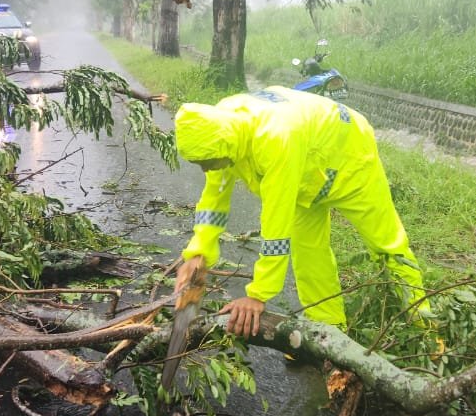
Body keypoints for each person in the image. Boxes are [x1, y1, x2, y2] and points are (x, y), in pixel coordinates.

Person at [173, 86, 425, 337]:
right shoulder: (219, 128)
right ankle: (327, 332)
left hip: (349, 153)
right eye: (200, 164)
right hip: (308, 169)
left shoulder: (275, 139)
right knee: (309, 253)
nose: (205, 170)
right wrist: (198, 254)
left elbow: (276, 223)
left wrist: (258, 295)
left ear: (224, 145)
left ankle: (424, 331)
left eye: (208, 163)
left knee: (388, 244)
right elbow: (214, 198)